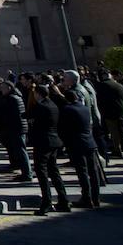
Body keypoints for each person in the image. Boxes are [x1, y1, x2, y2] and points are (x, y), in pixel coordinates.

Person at [26, 84, 70, 215]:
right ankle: (63, 200)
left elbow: (27, 114)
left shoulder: (41, 106)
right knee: (54, 171)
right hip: (53, 141)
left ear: (38, 94)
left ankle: (47, 202)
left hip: (43, 142)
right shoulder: (53, 104)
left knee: (42, 173)